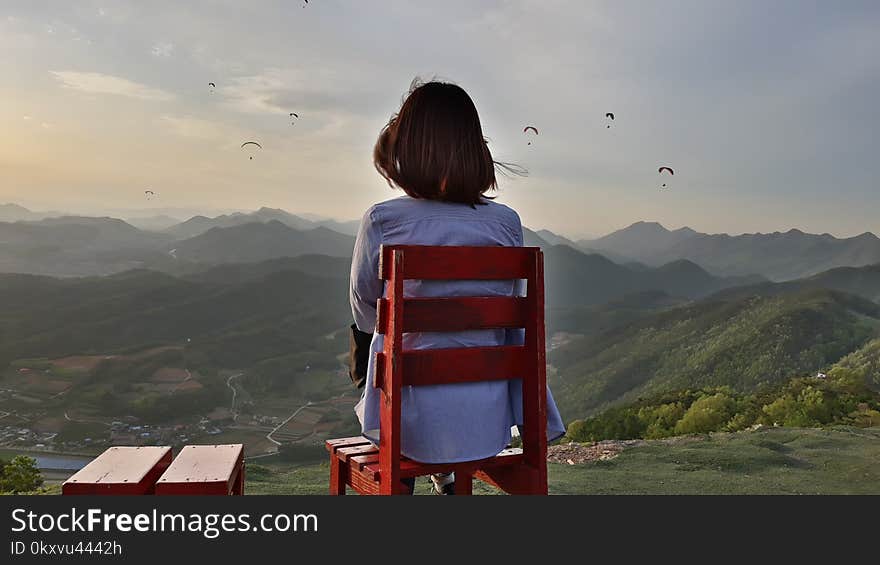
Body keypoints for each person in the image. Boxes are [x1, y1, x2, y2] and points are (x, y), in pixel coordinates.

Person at [350, 78, 566, 495]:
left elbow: (364, 309)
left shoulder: (382, 220)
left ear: (406, 148)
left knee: (368, 335)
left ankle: (414, 471)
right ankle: (446, 475)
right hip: (488, 426)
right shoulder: (506, 223)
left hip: (410, 428)